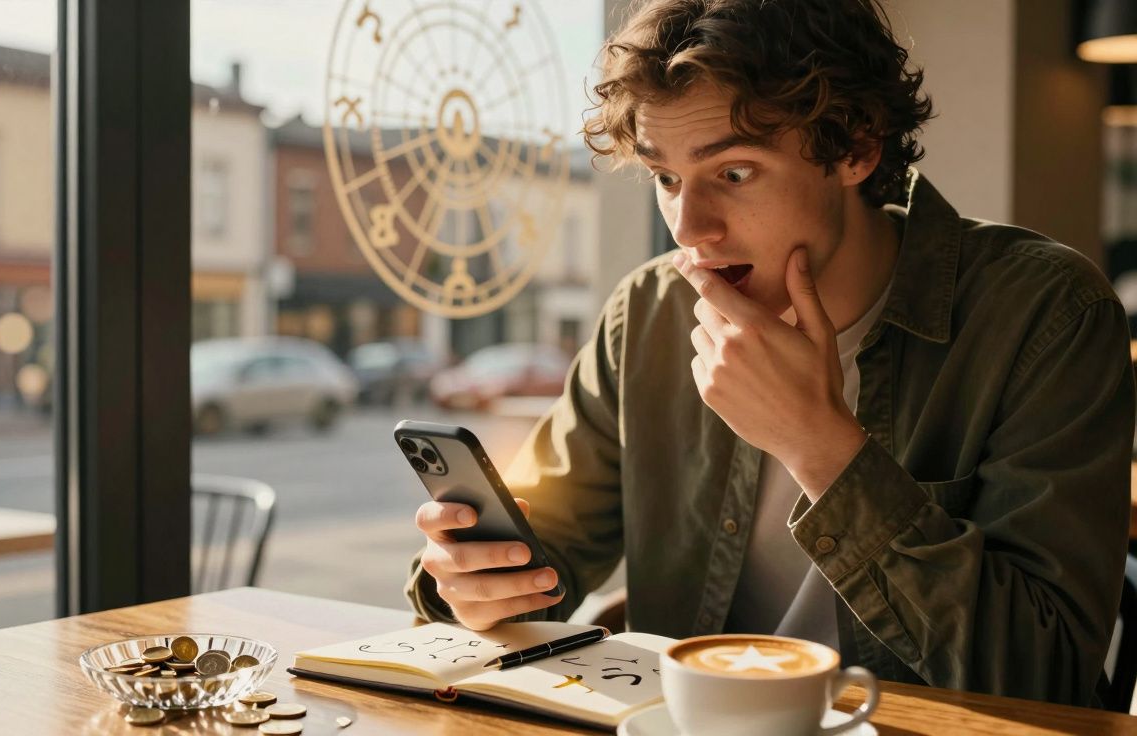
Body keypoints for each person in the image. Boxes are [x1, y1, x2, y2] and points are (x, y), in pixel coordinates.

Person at [405, 0, 1135, 708]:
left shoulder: (1046, 315)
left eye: (734, 173)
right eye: (665, 178)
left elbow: (1047, 679)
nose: (689, 229)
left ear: (857, 147)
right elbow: (544, 555)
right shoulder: (649, 315)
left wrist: (821, 446)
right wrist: (470, 579)